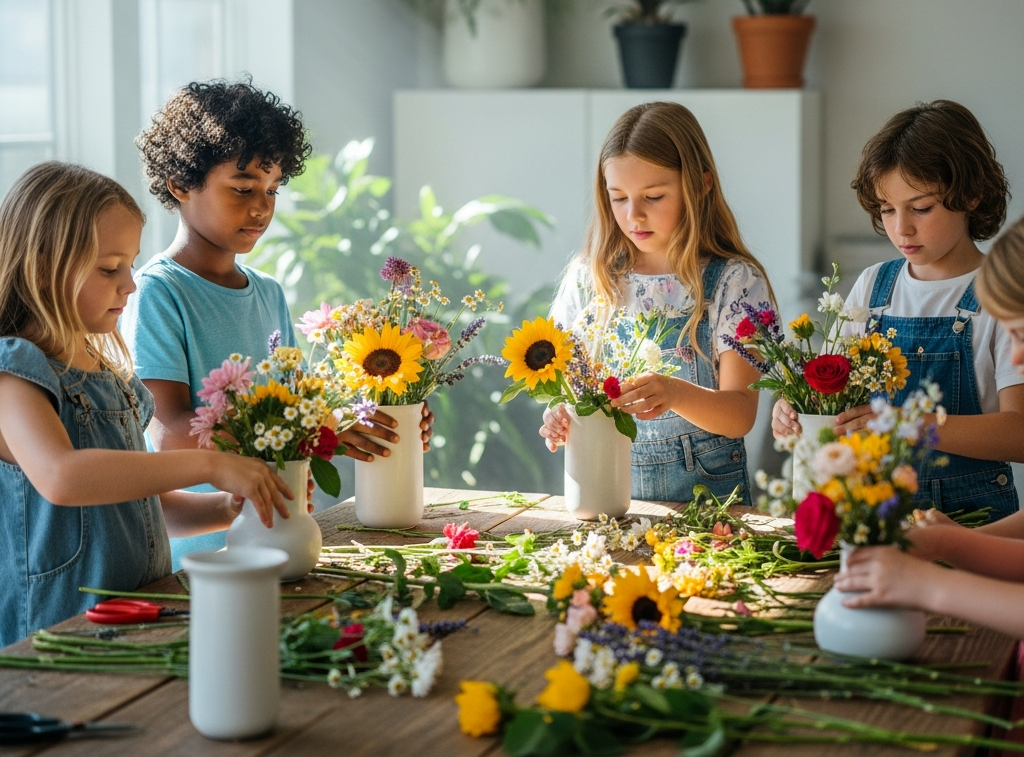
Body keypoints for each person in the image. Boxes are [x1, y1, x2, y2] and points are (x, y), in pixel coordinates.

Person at [124, 79, 431, 566]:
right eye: (243, 188)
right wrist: (299, 429)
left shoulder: (267, 293)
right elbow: (170, 436)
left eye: (272, 189)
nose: (262, 207)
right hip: (199, 559)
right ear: (180, 184)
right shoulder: (158, 293)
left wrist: (354, 424)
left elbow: (297, 408)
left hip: (282, 538)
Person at [0, 162, 293, 646]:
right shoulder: (15, 372)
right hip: (54, 637)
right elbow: (62, 477)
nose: (130, 284)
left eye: (130, 265)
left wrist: (226, 507)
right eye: (109, 268)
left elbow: (145, 506)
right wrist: (210, 463)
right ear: (45, 267)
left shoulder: (108, 373)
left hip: (138, 617)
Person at [772, 100, 1024, 518]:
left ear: (972, 196)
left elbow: (1019, 433)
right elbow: (832, 398)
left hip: (972, 524)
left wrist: (910, 423)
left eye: (921, 208)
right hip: (873, 514)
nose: (900, 228)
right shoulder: (874, 285)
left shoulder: (1001, 293)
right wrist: (797, 409)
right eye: (887, 210)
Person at [541, 101, 774, 503]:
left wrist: (675, 393)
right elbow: (564, 391)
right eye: (618, 197)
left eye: (653, 196)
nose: (634, 215)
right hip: (602, 505)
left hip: (708, 514)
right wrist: (558, 418)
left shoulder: (735, 283)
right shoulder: (589, 278)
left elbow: (740, 416)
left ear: (701, 185)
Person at [834, 214, 1024, 638]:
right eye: (887, 208)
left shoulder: (989, 293)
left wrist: (933, 583)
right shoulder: (873, 285)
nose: (1016, 359)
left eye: (1021, 335)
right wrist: (947, 544)